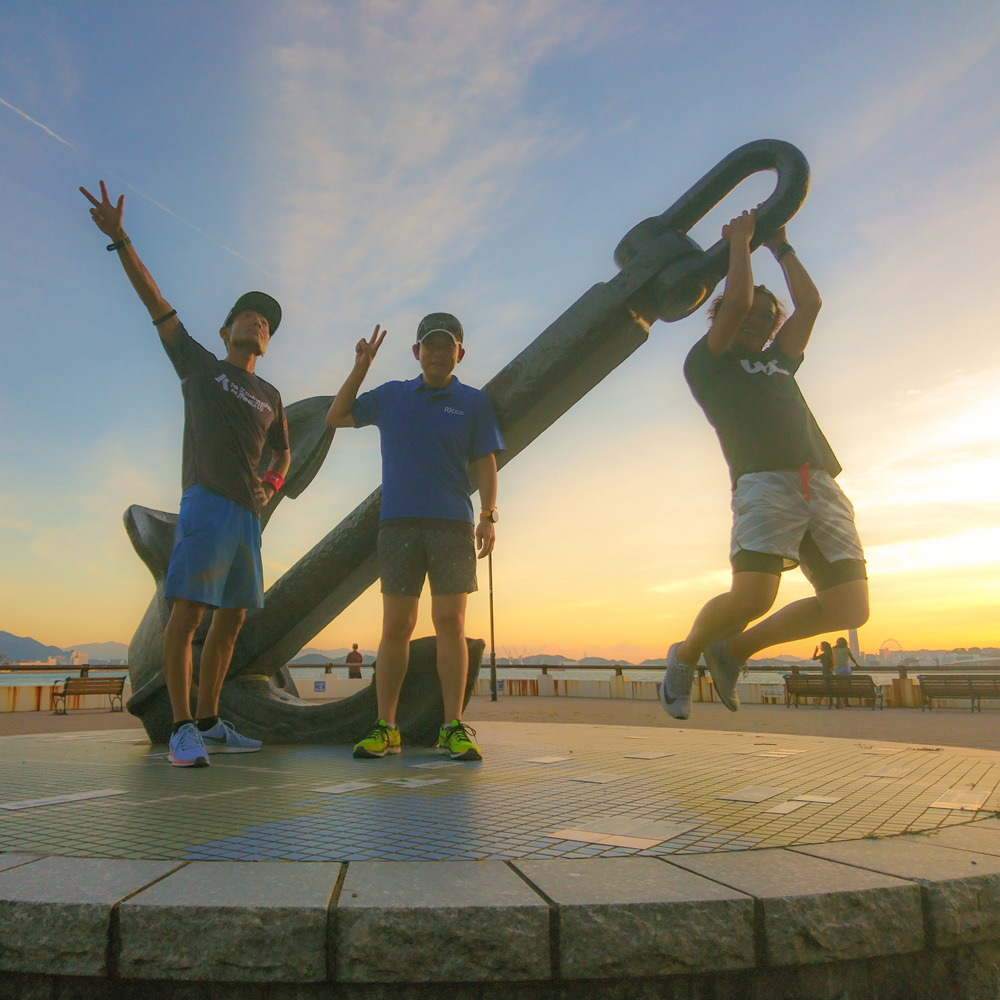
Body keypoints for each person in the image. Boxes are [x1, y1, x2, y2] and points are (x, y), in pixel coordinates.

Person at [81, 181, 290, 767]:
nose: (258, 323)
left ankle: (210, 719)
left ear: (267, 344)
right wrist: (121, 240)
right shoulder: (199, 366)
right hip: (204, 502)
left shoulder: (271, 393)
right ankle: (179, 730)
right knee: (187, 614)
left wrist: (270, 488)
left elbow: (284, 456)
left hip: (247, 516)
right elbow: (157, 304)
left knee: (232, 622)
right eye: (247, 317)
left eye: (266, 323)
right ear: (226, 333)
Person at [659, 209, 868, 721]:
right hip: (764, 482)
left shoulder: (780, 360)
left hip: (819, 481)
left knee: (849, 608)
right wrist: (741, 243)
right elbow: (735, 306)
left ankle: (731, 652)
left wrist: (779, 245)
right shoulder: (709, 361)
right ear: (723, 314)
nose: (756, 320)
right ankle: (685, 656)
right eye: (747, 312)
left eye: (764, 317)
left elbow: (812, 303)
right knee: (753, 596)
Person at [326, 313, 504, 761]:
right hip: (399, 524)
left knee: (451, 624)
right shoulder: (392, 396)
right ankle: (386, 727)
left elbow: (485, 462)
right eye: (430, 345)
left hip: (452, 524)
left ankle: (452, 727)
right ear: (416, 352)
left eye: (447, 346)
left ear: (460, 353)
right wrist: (361, 367)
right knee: (396, 627)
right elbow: (336, 415)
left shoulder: (473, 402)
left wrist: (488, 514)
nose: (438, 352)